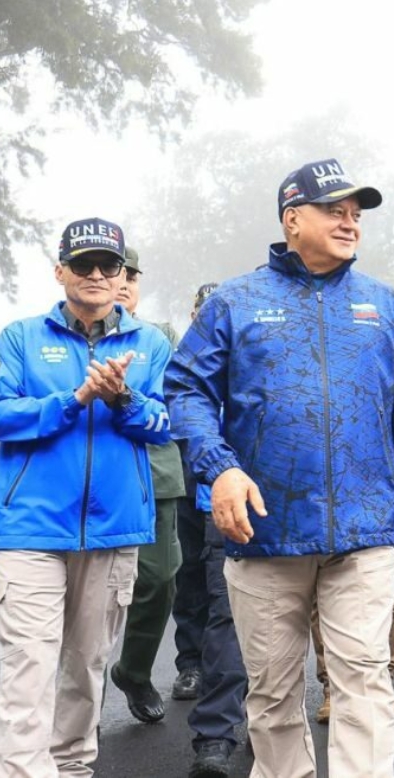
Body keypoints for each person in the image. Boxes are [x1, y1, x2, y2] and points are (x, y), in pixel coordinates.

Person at [165, 158, 394, 777]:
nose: (350, 222)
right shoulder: (235, 302)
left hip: (363, 533)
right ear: (292, 218)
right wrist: (218, 468)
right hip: (264, 533)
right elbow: (185, 388)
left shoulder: (385, 306)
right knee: (271, 696)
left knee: (365, 685)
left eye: (356, 213)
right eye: (335, 210)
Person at [0, 218, 172, 775]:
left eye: (107, 265)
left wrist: (122, 400)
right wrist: (73, 399)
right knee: (29, 669)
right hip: (30, 529)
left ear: (121, 276)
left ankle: (70, 769)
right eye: (83, 263)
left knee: (86, 669)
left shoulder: (150, 342)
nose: (96, 274)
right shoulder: (19, 337)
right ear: (60, 270)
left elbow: (163, 424)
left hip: (114, 529)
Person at [109, 246, 187, 725]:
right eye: (115, 273)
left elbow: (177, 403)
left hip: (154, 474)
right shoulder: (68, 336)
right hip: (90, 482)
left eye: (129, 276)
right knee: (85, 594)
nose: (120, 283)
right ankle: (72, 702)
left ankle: (133, 670)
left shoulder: (160, 337)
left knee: (159, 580)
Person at [170, 282, 219, 706]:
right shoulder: (178, 359)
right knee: (188, 575)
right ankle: (190, 664)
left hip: (230, 487)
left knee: (227, 581)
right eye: (201, 310)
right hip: (187, 482)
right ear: (193, 313)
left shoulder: (243, 353)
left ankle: (229, 669)